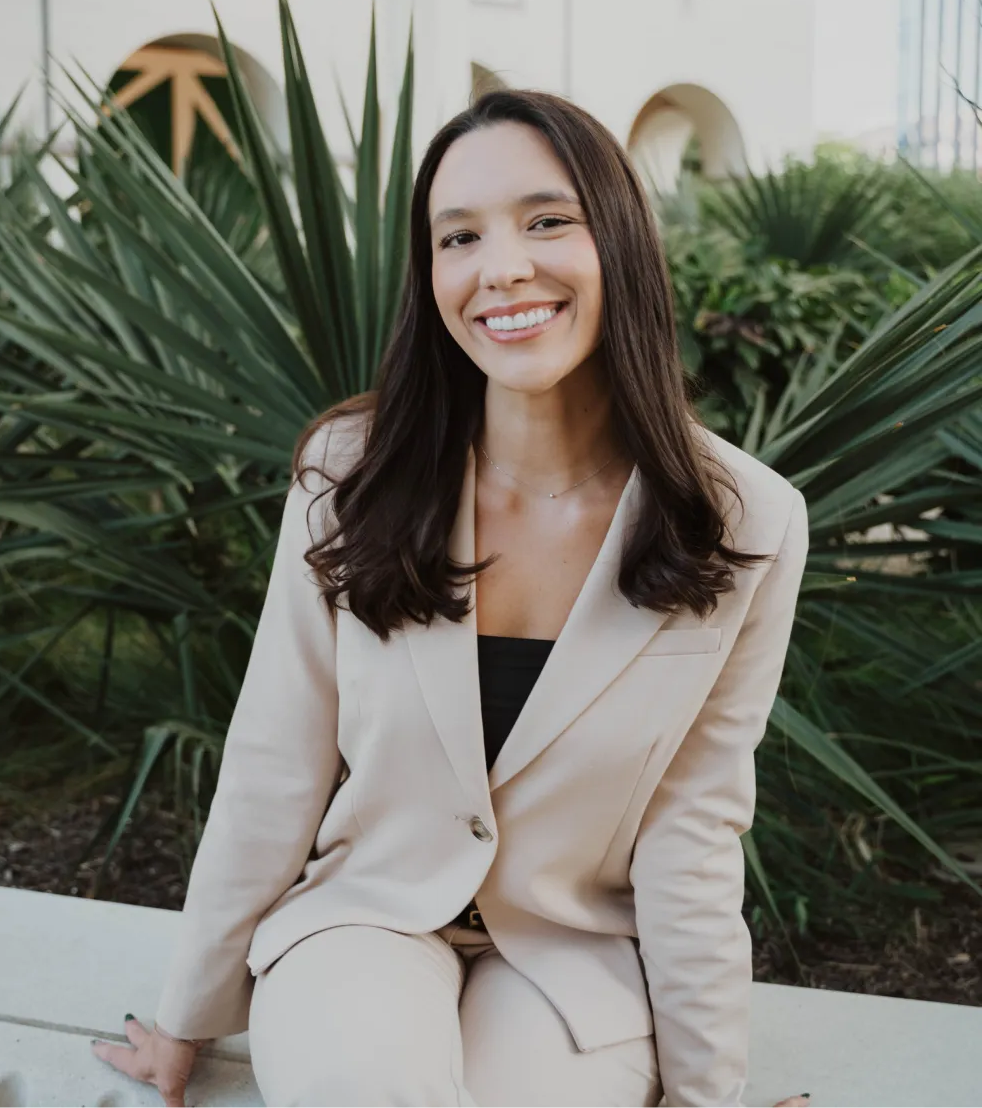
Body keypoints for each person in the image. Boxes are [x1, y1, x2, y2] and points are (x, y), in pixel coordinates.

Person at [93, 89, 812, 1108]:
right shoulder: (348, 476)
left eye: (546, 220)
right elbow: (274, 757)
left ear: (619, 239)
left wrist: (710, 1093)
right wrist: (187, 1012)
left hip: (569, 960)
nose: (502, 266)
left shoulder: (747, 520)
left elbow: (694, 826)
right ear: (432, 275)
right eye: (459, 235)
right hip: (362, 919)